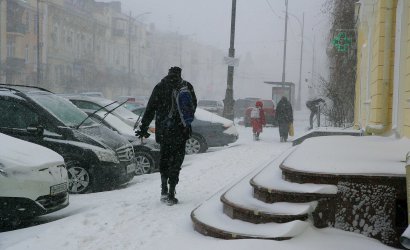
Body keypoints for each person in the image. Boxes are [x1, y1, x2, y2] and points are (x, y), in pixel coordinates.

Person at [135, 66, 197, 205]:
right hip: (181, 132)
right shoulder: (186, 86)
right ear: (180, 74)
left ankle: (163, 188)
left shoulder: (160, 86)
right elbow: (192, 108)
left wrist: (144, 127)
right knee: (177, 161)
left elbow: (150, 108)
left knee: (164, 159)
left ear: (168, 74)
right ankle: (172, 191)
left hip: (165, 132)